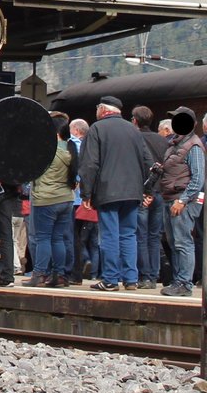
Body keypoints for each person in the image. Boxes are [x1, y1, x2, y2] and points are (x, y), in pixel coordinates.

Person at [78, 96, 152, 292]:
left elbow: (89, 164)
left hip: (108, 191)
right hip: (133, 192)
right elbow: (148, 161)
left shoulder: (97, 129)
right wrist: (147, 190)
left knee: (109, 235)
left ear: (102, 110)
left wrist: (86, 193)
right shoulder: (134, 130)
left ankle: (110, 279)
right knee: (128, 234)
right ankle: (131, 279)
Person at [152, 106, 203, 297]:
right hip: (170, 198)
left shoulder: (193, 146)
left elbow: (198, 178)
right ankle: (178, 281)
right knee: (174, 242)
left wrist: (183, 200)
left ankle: (184, 283)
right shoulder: (176, 144)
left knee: (182, 242)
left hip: (182, 200)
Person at [27, 111, 77, 287]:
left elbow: (31, 170)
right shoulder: (70, 148)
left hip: (46, 199)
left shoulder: (46, 149)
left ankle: (39, 274)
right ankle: (60, 275)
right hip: (66, 199)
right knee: (58, 238)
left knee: (43, 238)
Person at [131, 105, 167, 288]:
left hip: (143, 192)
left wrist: (146, 191)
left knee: (141, 235)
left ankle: (144, 276)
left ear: (135, 121)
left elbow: (138, 167)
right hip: (159, 192)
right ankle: (154, 274)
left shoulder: (134, 139)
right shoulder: (162, 140)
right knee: (154, 236)